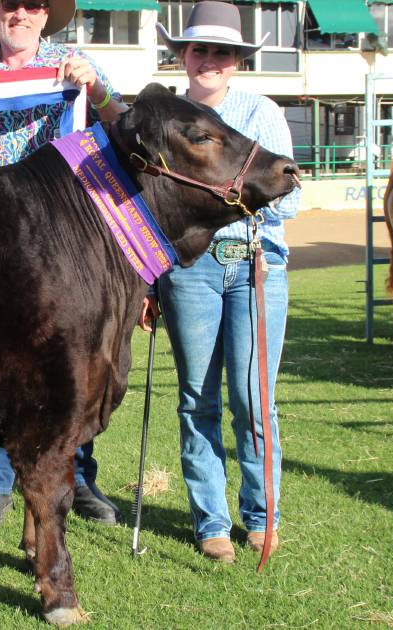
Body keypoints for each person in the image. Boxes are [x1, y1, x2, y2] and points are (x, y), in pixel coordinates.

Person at [0, 0, 129, 529]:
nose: (21, 13)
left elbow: (123, 127)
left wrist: (95, 91)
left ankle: (78, 479)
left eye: (33, 4)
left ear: (45, 14)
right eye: (10, 3)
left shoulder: (75, 63)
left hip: (63, 241)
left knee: (70, 361)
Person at [142, 1, 300, 563]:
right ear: (184, 55)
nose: (210, 59)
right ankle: (211, 520)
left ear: (236, 60)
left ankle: (261, 516)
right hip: (189, 271)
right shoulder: (166, 118)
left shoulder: (261, 112)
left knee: (254, 400)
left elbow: (291, 194)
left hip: (257, 264)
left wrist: (231, 205)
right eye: (200, 49)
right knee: (195, 400)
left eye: (222, 51)